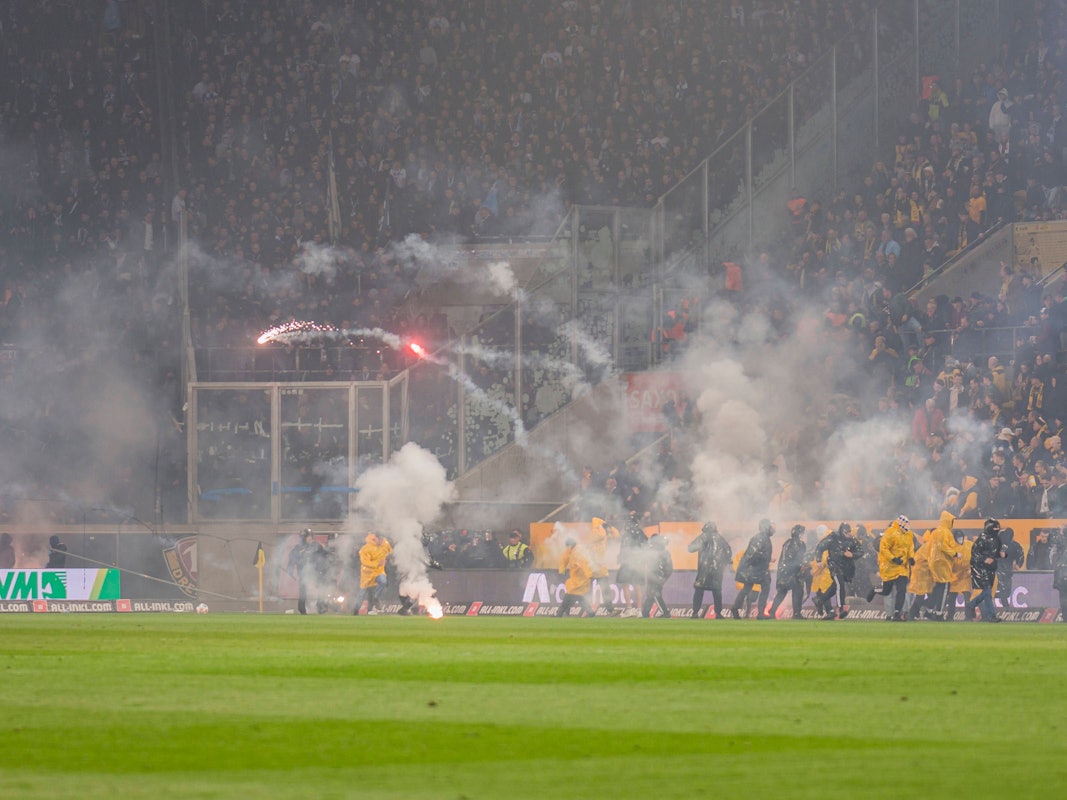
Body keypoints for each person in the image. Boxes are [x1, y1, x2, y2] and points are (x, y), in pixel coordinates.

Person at [731, 519, 774, 619]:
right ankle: (760, 613)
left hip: (754, 569)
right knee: (765, 587)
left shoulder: (762, 537)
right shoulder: (761, 538)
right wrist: (766, 559)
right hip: (756, 569)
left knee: (746, 589)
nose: (772, 529)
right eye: (771, 526)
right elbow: (753, 554)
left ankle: (736, 608)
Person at [688, 522, 732, 619]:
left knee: (699, 591)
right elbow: (728, 552)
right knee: (717, 592)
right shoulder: (721, 539)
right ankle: (719, 614)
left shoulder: (703, 537)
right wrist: (724, 562)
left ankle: (695, 613)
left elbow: (690, 548)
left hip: (703, 569)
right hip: (717, 570)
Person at [876, 515, 915, 621]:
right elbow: (882, 549)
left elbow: (910, 547)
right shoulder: (889, 534)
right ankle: (892, 614)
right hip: (889, 567)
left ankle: (899, 612)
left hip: (902, 567)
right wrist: (893, 559)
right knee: (890, 592)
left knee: (901, 590)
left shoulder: (908, 535)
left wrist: (911, 557)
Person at [820, 522, 862, 619]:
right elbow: (822, 555)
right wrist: (820, 562)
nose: (849, 535)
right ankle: (838, 608)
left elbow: (860, 551)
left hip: (839, 569)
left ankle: (820, 601)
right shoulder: (831, 540)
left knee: (835, 588)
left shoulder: (850, 540)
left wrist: (852, 555)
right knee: (839, 586)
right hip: (830, 571)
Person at [926, 510, 961, 621]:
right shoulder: (945, 532)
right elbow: (943, 547)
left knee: (938, 588)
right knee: (944, 587)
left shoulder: (936, 532)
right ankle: (939, 613)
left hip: (934, 562)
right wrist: (955, 553)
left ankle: (929, 610)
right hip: (942, 563)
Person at [968, 518, 1005, 623]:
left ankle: (971, 605)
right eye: (995, 527)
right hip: (980, 567)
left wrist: (1000, 555)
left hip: (991, 568)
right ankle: (991, 615)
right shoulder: (981, 539)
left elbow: (996, 553)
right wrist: (984, 559)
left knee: (986, 592)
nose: (997, 529)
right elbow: (974, 554)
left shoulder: (997, 539)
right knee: (987, 591)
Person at [769, 524, 808, 619]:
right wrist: (800, 566)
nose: (804, 535)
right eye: (802, 533)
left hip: (786, 572)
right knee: (796, 592)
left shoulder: (790, 543)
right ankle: (796, 613)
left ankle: (773, 611)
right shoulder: (796, 544)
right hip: (791, 572)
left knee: (784, 592)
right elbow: (790, 559)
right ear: (799, 534)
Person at [616, 511, 648, 617]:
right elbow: (646, 547)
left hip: (627, 563)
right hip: (638, 564)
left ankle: (629, 609)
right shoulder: (641, 533)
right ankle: (639, 610)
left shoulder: (626, 535)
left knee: (625, 585)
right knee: (637, 586)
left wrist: (620, 558)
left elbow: (623, 550)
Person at [287, 529, 324, 615]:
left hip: (316, 572)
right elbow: (292, 558)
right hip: (303, 573)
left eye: (311, 536)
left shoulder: (317, 546)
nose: (310, 538)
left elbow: (324, 556)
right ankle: (302, 610)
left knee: (322, 589)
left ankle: (320, 607)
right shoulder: (298, 548)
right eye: (308, 536)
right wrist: (290, 568)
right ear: (303, 538)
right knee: (303, 592)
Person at [353, 533, 392, 615]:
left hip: (379, 571)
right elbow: (364, 562)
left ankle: (376, 598)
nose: (380, 541)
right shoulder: (365, 549)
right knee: (362, 593)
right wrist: (377, 563)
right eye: (378, 540)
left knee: (383, 581)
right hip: (367, 573)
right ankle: (356, 610)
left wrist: (391, 557)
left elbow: (390, 551)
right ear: (374, 538)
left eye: (381, 540)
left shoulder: (385, 544)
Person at [588, 516, 618, 614]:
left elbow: (616, 535)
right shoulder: (596, 534)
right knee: (585, 590)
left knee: (605, 590)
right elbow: (601, 535)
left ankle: (610, 610)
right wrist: (604, 525)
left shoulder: (600, 535)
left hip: (598, 567)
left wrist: (609, 526)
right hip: (592, 567)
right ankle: (585, 608)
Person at [556, 538, 593, 617]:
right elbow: (564, 560)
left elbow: (585, 565)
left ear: (570, 545)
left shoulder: (577, 553)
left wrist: (589, 574)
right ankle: (590, 611)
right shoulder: (573, 551)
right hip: (578, 581)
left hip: (578, 581)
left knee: (568, 597)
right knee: (580, 597)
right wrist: (562, 570)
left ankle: (559, 614)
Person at [642, 534, 674, 618]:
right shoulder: (663, 552)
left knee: (655, 594)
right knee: (650, 594)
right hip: (655, 576)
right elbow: (670, 568)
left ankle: (665, 613)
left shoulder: (657, 552)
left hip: (656, 576)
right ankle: (645, 613)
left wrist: (662, 577)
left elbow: (668, 568)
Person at [946, 530, 975, 621]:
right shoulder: (951, 547)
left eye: (961, 537)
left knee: (967, 597)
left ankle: (969, 616)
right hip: (954, 575)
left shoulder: (969, 545)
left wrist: (971, 569)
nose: (960, 540)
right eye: (958, 538)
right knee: (951, 598)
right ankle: (950, 616)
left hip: (965, 575)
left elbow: (975, 557)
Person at [996, 527, 1025, 610]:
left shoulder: (1014, 545)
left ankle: (989, 597)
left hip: (1008, 571)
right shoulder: (998, 545)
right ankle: (1006, 608)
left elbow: (1020, 555)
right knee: (1003, 591)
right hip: (998, 571)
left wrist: (1017, 564)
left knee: (1006, 592)